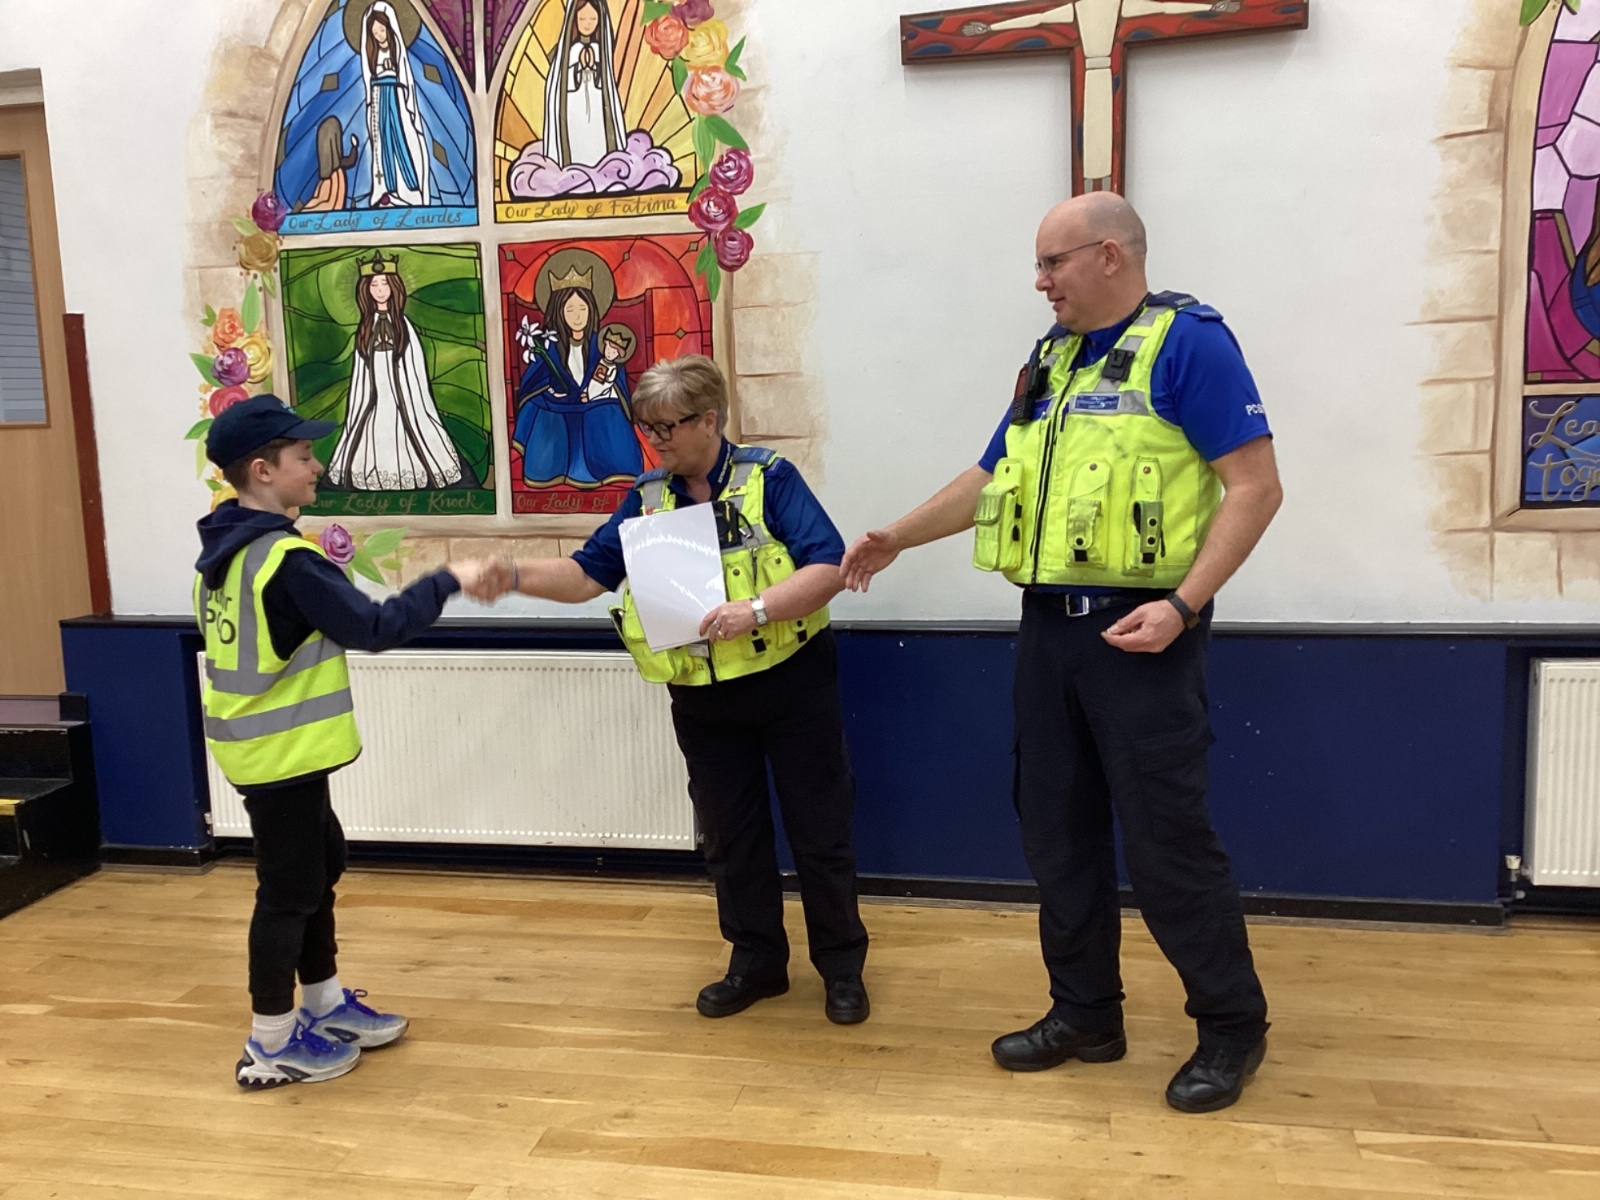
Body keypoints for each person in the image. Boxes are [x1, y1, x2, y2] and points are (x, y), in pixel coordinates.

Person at [841, 193, 1283, 1113]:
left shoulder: (1190, 345)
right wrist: (897, 537)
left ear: (1110, 256)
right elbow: (991, 473)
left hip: (1144, 634)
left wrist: (1183, 606)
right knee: (1056, 832)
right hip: (1049, 631)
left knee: (1167, 844)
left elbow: (1255, 487)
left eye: (1053, 263)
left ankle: (1231, 1026)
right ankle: (1086, 1013)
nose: (1040, 282)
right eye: (1040, 265)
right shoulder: (1050, 359)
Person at [483, 355, 871, 1023]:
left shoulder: (768, 479)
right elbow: (587, 575)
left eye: (668, 427)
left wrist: (756, 610)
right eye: (648, 427)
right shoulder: (647, 499)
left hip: (792, 685)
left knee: (819, 831)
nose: (656, 440)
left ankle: (841, 969)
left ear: (709, 419)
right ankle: (756, 963)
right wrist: (513, 574)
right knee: (730, 838)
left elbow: (829, 565)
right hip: (704, 699)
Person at [196, 394, 496, 1088]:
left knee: (318, 865)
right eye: (304, 457)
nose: (318, 467)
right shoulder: (283, 561)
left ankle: (324, 1004)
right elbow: (375, 626)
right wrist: (448, 579)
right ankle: (271, 1043)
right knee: (288, 891)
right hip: (278, 755)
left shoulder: (225, 552)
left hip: (271, 752)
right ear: (263, 470)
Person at [325, 251, 465, 493]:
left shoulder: (404, 326)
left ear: (394, 287)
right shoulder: (365, 328)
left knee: (408, 426)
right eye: (374, 285)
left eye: (385, 284)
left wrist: (405, 389)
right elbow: (361, 370)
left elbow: (414, 366)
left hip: (402, 391)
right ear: (365, 290)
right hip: (374, 391)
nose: (380, 290)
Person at [510, 253, 646, 490]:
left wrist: (601, 391)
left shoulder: (601, 344)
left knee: (610, 410)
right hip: (558, 404)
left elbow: (617, 382)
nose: (577, 316)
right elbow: (533, 383)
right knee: (543, 412)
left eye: (582, 308)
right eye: (570, 309)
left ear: (592, 309)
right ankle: (552, 468)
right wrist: (551, 390)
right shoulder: (548, 346)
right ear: (558, 311)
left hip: (593, 404)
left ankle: (609, 467)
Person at [362, 1, 430, 207]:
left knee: (401, 137)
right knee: (384, 141)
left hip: (395, 95)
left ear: (388, 27)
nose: (379, 35)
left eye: (381, 30)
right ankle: (388, 188)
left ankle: (409, 187)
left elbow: (404, 75)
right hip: (379, 97)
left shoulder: (396, 48)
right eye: (375, 33)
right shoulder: (372, 53)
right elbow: (370, 77)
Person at [544, 0, 627, 168]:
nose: (587, 24)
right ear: (574, 19)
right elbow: (562, 84)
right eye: (582, 19)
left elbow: (606, 83)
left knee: (598, 134)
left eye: (592, 19)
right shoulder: (568, 53)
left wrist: (594, 68)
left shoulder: (601, 50)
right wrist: (577, 67)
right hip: (574, 103)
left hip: (597, 104)